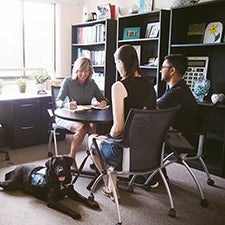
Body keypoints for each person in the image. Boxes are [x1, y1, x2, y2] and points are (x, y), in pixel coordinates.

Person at [88, 44, 156, 201]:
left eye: (116, 63)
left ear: (121, 63)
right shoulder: (149, 85)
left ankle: (109, 185)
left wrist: (109, 136)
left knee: (93, 141)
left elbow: (118, 128)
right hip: (148, 152)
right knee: (108, 140)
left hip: (125, 153)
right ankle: (112, 182)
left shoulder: (119, 86)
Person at [55, 56, 108, 170]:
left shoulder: (92, 83)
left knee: (94, 127)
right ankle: (71, 159)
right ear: (76, 70)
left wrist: (102, 102)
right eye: (81, 71)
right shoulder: (68, 81)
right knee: (82, 129)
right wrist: (67, 104)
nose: (84, 74)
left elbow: (103, 99)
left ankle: (94, 157)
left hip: (85, 117)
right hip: (67, 116)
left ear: (90, 72)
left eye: (86, 71)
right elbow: (58, 100)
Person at [157, 54, 199, 133]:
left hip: (181, 139)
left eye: (163, 67)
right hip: (182, 135)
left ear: (172, 70)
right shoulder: (181, 87)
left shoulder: (176, 92)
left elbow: (152, 110)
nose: (160, 70)